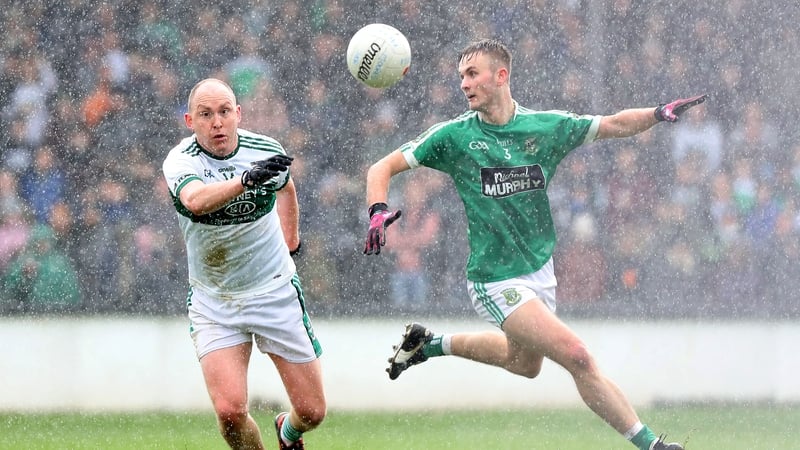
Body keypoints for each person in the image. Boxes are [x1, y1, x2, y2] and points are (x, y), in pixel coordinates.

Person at [363, 39, 705, 450]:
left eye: (472, 74)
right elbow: (382, 166)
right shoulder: (454, 137)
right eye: (460, 77)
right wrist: (378, 210)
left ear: (501, 75)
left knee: (525, 365)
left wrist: (657, 114)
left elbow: (612, 124)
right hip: (493, 278)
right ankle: (651, 444)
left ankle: (431, 344)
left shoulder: (546, 127)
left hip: (539, 270)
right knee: (576, 355)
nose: (464, 84)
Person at [162, 78, 325, 450]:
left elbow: (285, 186)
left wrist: (291, 240)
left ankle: (288, 430)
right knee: (230, 413)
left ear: (238, 114)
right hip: (215, 300)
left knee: (313, 412)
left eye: (223, 112)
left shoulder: (266, 149)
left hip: (274, 292)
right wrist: (245, 181)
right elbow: (196, 201)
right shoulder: (180, 160)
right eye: (205, 115)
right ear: (190, 120)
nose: (216, 122)